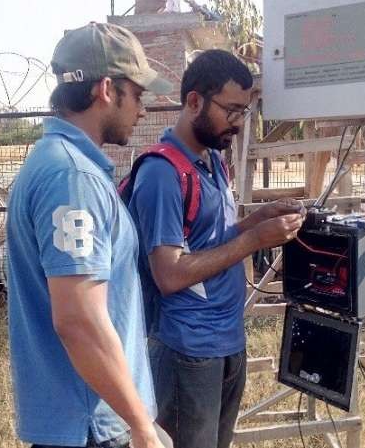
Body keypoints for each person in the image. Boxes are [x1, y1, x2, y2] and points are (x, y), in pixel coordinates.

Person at [125, 49, 305, 448]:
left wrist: (257, 220)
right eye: (232, 111)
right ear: (194, 102)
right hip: (187, 349)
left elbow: (210, 241)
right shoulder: (162, 174)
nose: (238, 123)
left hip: (227, 340)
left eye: (244, 111)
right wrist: (253, 240)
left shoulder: (212, 162)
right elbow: (169, 274)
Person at [5, 22, 173, 448]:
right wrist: (140, 425)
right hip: (92, 424)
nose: (143, 110)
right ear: (106, 89)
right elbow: (79, 320)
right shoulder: (72, 178)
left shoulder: (56, 162)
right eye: (137, 94)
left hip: (86, 418)